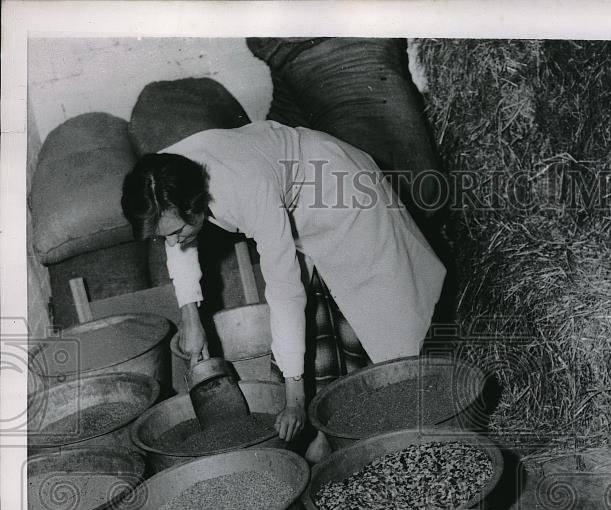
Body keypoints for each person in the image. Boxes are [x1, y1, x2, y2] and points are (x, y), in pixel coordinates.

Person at [121, 121, 446, 452]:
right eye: (163, 237)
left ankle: (411, 419)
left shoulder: (246, 188)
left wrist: (294, 396)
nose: (171, 243)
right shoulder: (161, 176)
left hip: (339, 189)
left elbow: (284, 293)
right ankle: (328, 432)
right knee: (321, 312)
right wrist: (191, 316)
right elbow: (174, 240)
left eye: (176, 233)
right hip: (294, 203)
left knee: (385, 322)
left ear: (195, 204)